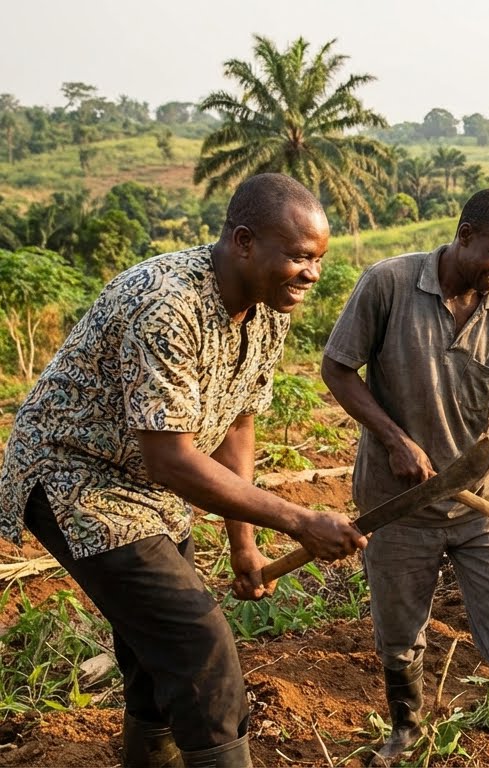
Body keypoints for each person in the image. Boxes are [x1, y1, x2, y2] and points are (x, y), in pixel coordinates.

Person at [0, 173, 367, 768]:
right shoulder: (166, 303)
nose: (313, 274)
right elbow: (170, 457)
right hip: (77, 478)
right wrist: (299, 519)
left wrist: (245, 547)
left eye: (318, 259)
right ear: (244, 242)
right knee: (199, 644)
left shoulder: (267, 307)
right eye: (300, 257)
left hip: (147, 484)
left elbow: (238, 424)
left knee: (156, 650)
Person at [321, 189, 489, 764]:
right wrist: (394, 438)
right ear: (464, 235)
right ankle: (406, 729)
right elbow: (337, 368)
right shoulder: (389, 284)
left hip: (479, 502)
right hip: (396, 505)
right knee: (398, 630)